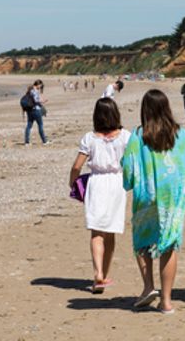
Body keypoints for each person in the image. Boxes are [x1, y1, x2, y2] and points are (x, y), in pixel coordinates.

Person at [121, 89, 185, 314]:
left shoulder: (138, 135)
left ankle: (149, 286)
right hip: (173, 198)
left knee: (142, 240)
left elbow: (128, 166)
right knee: (169, 244)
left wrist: (130, 182)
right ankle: (166, 301)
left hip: (146, 193)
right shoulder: (181, 135)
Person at [69, 97, 131, 293]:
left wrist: (73, 183)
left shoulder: (90, 138)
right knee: (110, 230)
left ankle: (98, 274)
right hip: (117, 182)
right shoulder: (126, 136)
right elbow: (132, 161)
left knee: (96, 231)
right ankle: (104, 273)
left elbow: (76, 166)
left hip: (97, 182)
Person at [23, 80, 48, 146]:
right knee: (40, 125)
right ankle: (44, 141)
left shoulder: (29, 91)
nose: (40, 87)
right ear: (38, 84)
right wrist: (43, 101)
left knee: (29, 126)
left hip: (29, 110)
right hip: (36, 110)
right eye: (41, 86)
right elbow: (36, 100)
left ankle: (27, 142)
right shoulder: (35, 91)